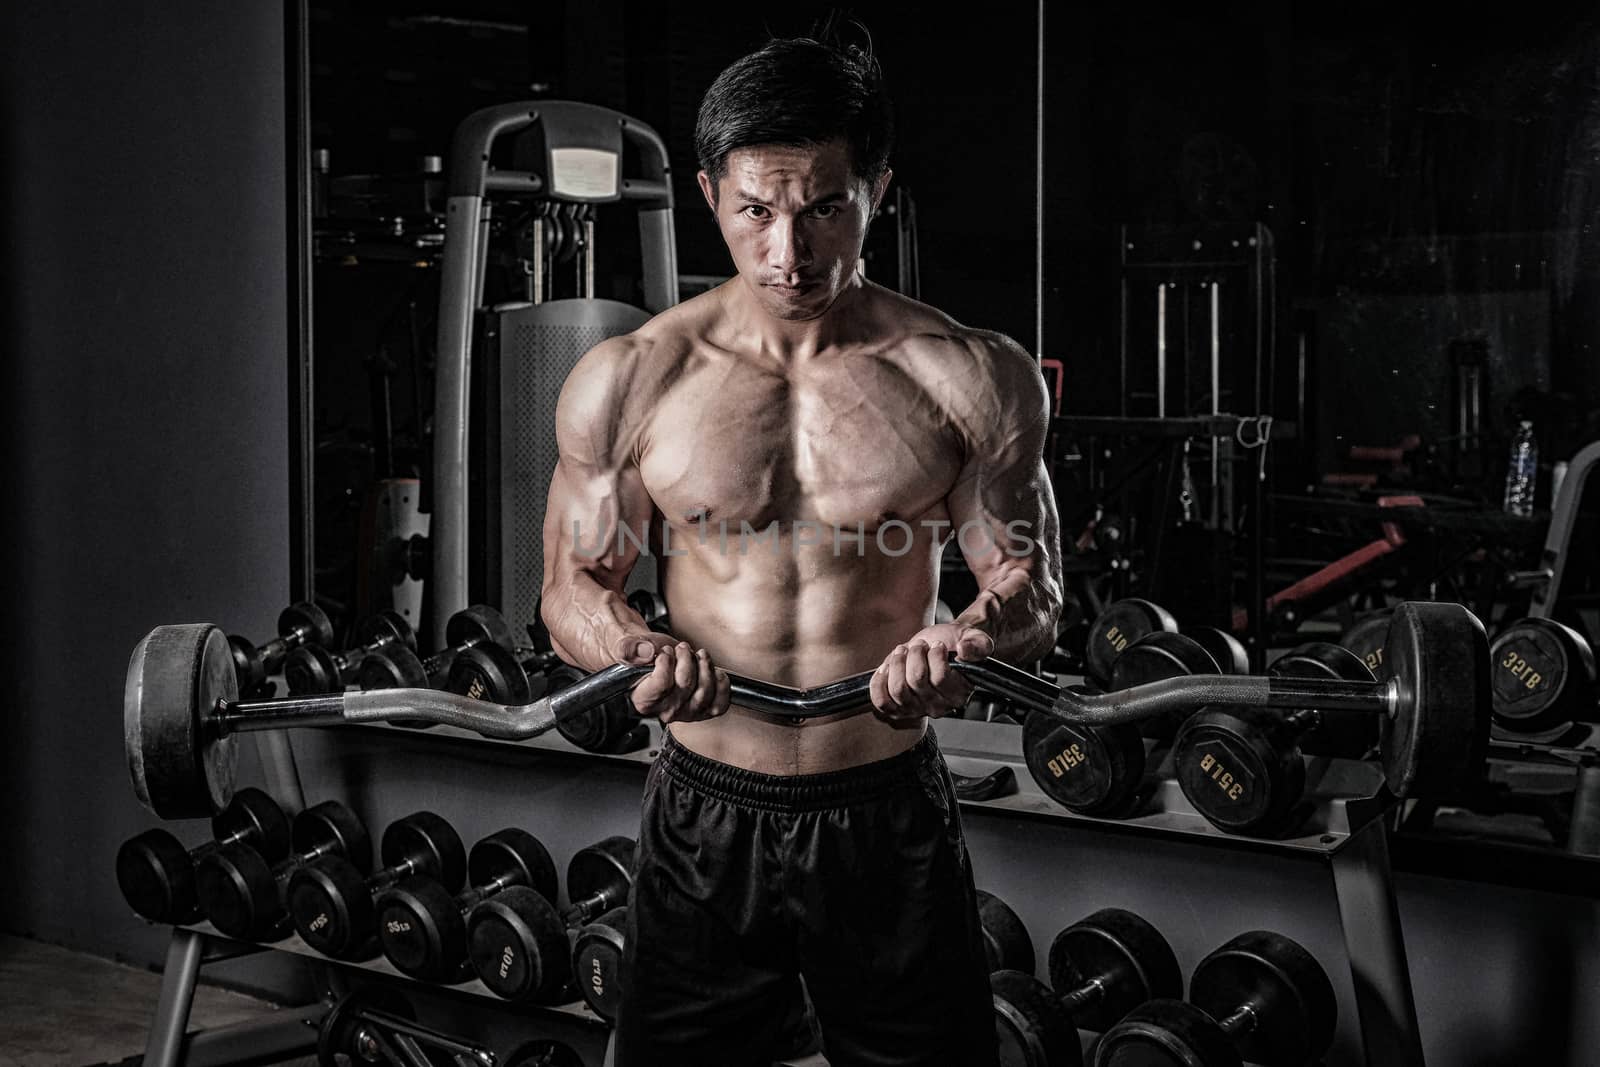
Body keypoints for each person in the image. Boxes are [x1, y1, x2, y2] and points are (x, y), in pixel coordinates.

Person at [539, 25, 1063, 1067]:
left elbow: (1032, 586)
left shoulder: (966, 376)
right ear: (708, 194)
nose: (791, 251)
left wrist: (965, 638)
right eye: (757, 212)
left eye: (826, 207)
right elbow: (569, 589)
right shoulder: (635, 378)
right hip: (703, 809)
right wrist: (633, 648)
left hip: (884, 807)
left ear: (878, 187)